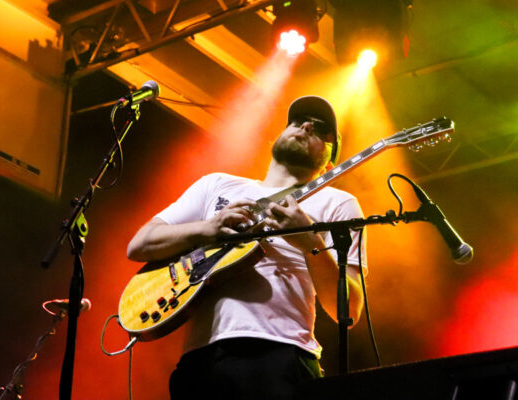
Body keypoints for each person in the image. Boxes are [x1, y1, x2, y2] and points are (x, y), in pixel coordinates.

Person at [127, 96, 366, 399]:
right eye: (297, 121)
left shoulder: (338, 203)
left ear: (330, 163)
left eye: (320, 130)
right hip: (200, 359)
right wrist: (208, 228)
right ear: (276, 137)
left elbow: (349, 310)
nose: (305, 126)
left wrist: (310, 244)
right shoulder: (217, 185)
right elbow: (140, 244)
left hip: (279, 355)